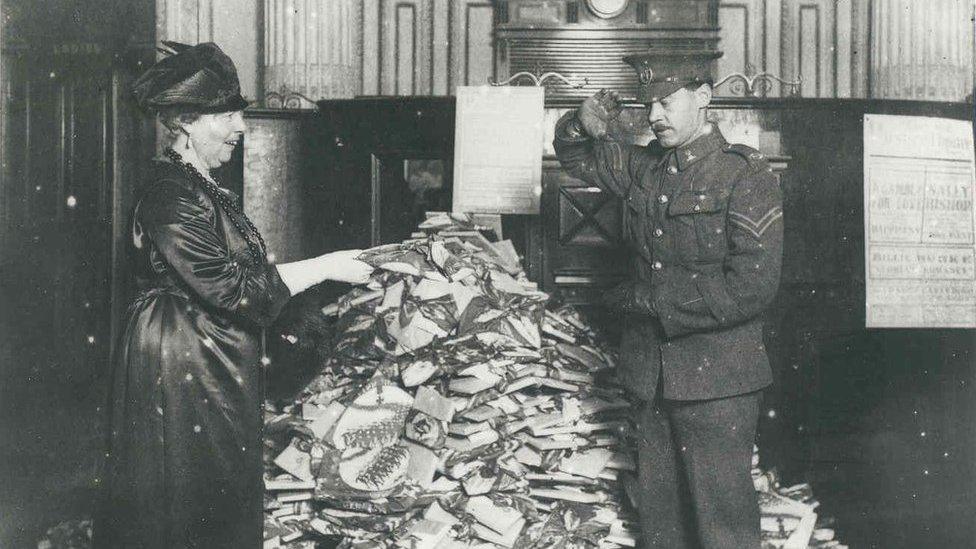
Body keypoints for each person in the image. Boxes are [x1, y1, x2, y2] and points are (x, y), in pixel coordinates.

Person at [95, 41, 374, 548]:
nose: (241, 127)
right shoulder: (169, 193)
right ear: (185, 122)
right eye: (227, 114)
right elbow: (232, 290)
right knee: (186, 492)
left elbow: (242, 282)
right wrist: (325, 267)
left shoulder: (199, 185)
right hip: (180, 353)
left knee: (215, 487)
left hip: (209, 348)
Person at [553, 52, 783, 548]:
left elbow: (753, 286)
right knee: (662, 525)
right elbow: (574, 155)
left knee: (722, 527)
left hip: (718, 380)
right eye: (648, 104)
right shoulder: (646, 169)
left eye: (666, 102)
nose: (654, 115)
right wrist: (579, 122)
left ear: (703, 98)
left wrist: (653, 302)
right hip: (651, 376)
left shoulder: (745, 176)